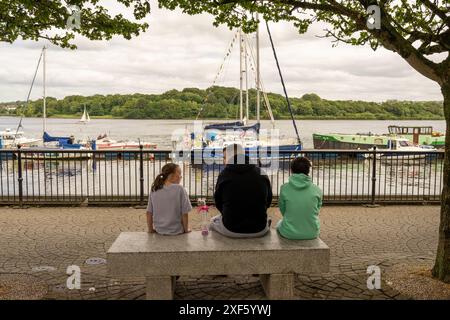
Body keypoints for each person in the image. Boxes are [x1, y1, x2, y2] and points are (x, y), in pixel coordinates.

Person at [210, 144, 272, 238]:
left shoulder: (224, 175)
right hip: (259, 228)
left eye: (224, 157)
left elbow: (218, 202)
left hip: (231, 228)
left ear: (231, 157)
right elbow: (268, 200)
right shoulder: (261, 173)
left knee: (213, 221)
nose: (223, 161)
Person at [277, 157, 322, 240]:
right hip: (312, 232)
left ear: (291, 170)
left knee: (279, 223)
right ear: (308, 170)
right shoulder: (317, 190)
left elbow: (283, 210)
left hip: (288, 233)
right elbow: (317, 210)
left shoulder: (284, 188)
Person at [146, 163, 192, 235]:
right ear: (171, 175)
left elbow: (149, 212)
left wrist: (150, 229)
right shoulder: (180, 189)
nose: (181, 176)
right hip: (176, 231)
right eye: (179, 173)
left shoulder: (155, 189)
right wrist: (186, 229)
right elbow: (184, 213)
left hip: (159, 230)